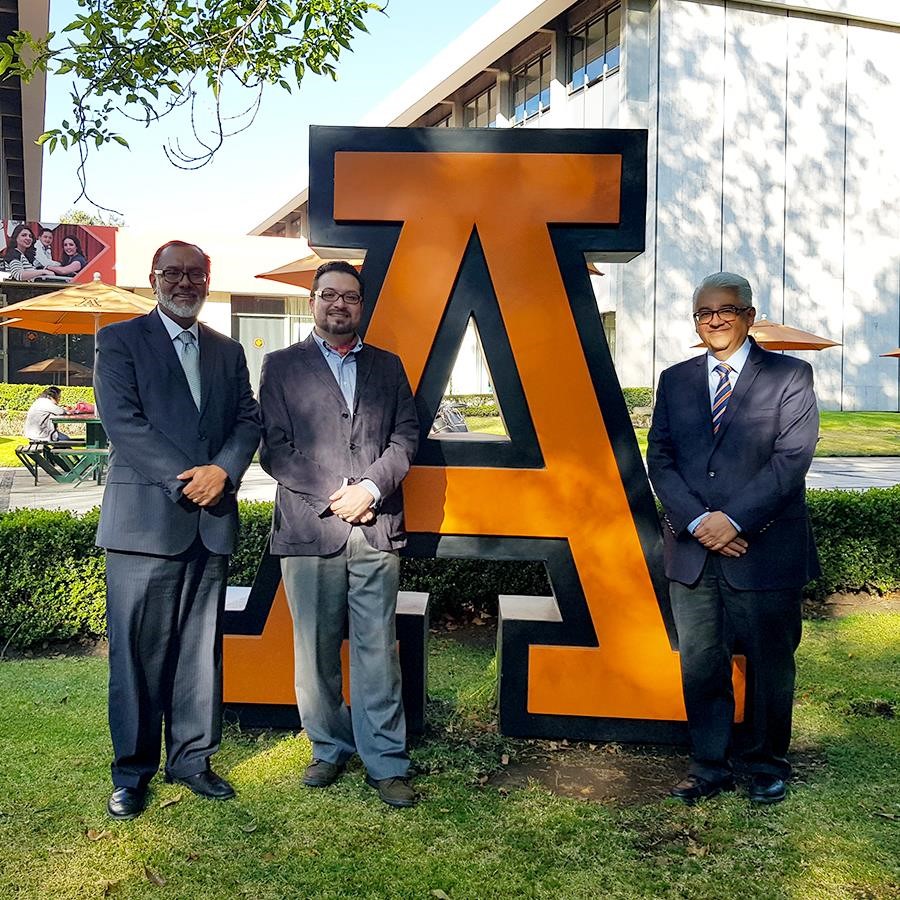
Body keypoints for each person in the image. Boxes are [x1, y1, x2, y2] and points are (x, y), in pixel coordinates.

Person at [93, 240, 260, 821]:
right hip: (142, 527)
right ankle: (131, 772)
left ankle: (192, 760)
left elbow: (247, 418)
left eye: (194, 274)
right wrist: (188, 479)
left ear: (208, 279)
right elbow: (123, 423)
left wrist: (225, 470)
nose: (184, 283)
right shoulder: (119, 342)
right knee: (137, 657)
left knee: (199, 654)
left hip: (211, 525)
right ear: (154, 279)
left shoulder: (228, 350)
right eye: (173, 273)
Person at [647, 272, 820, 806]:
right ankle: (709, 765)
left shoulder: (790, 376)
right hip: (695, 552)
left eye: (726, 309)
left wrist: (734, 521)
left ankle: (766, 764)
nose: (714, 319)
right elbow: (661, 459)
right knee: (701, 662)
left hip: (764, 551)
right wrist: (701, 523)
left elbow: (791, 461)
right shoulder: (675, 380)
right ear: (695, 322)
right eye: (704, 312)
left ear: (749, 314)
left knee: (770, 665)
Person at [259, 260, 419, 808]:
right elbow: (274, 449)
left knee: (378, 651)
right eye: (329, 295)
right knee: (315, 650)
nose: (340, 304)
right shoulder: (280, 367)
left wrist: (369, 490)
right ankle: (328, 748)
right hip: (311, 527)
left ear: (361, 304)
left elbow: (406, 438)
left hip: (376, 528)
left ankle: (387, 761)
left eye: (350, 296)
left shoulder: (389, 367)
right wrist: (339, 493)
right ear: (312, 302)